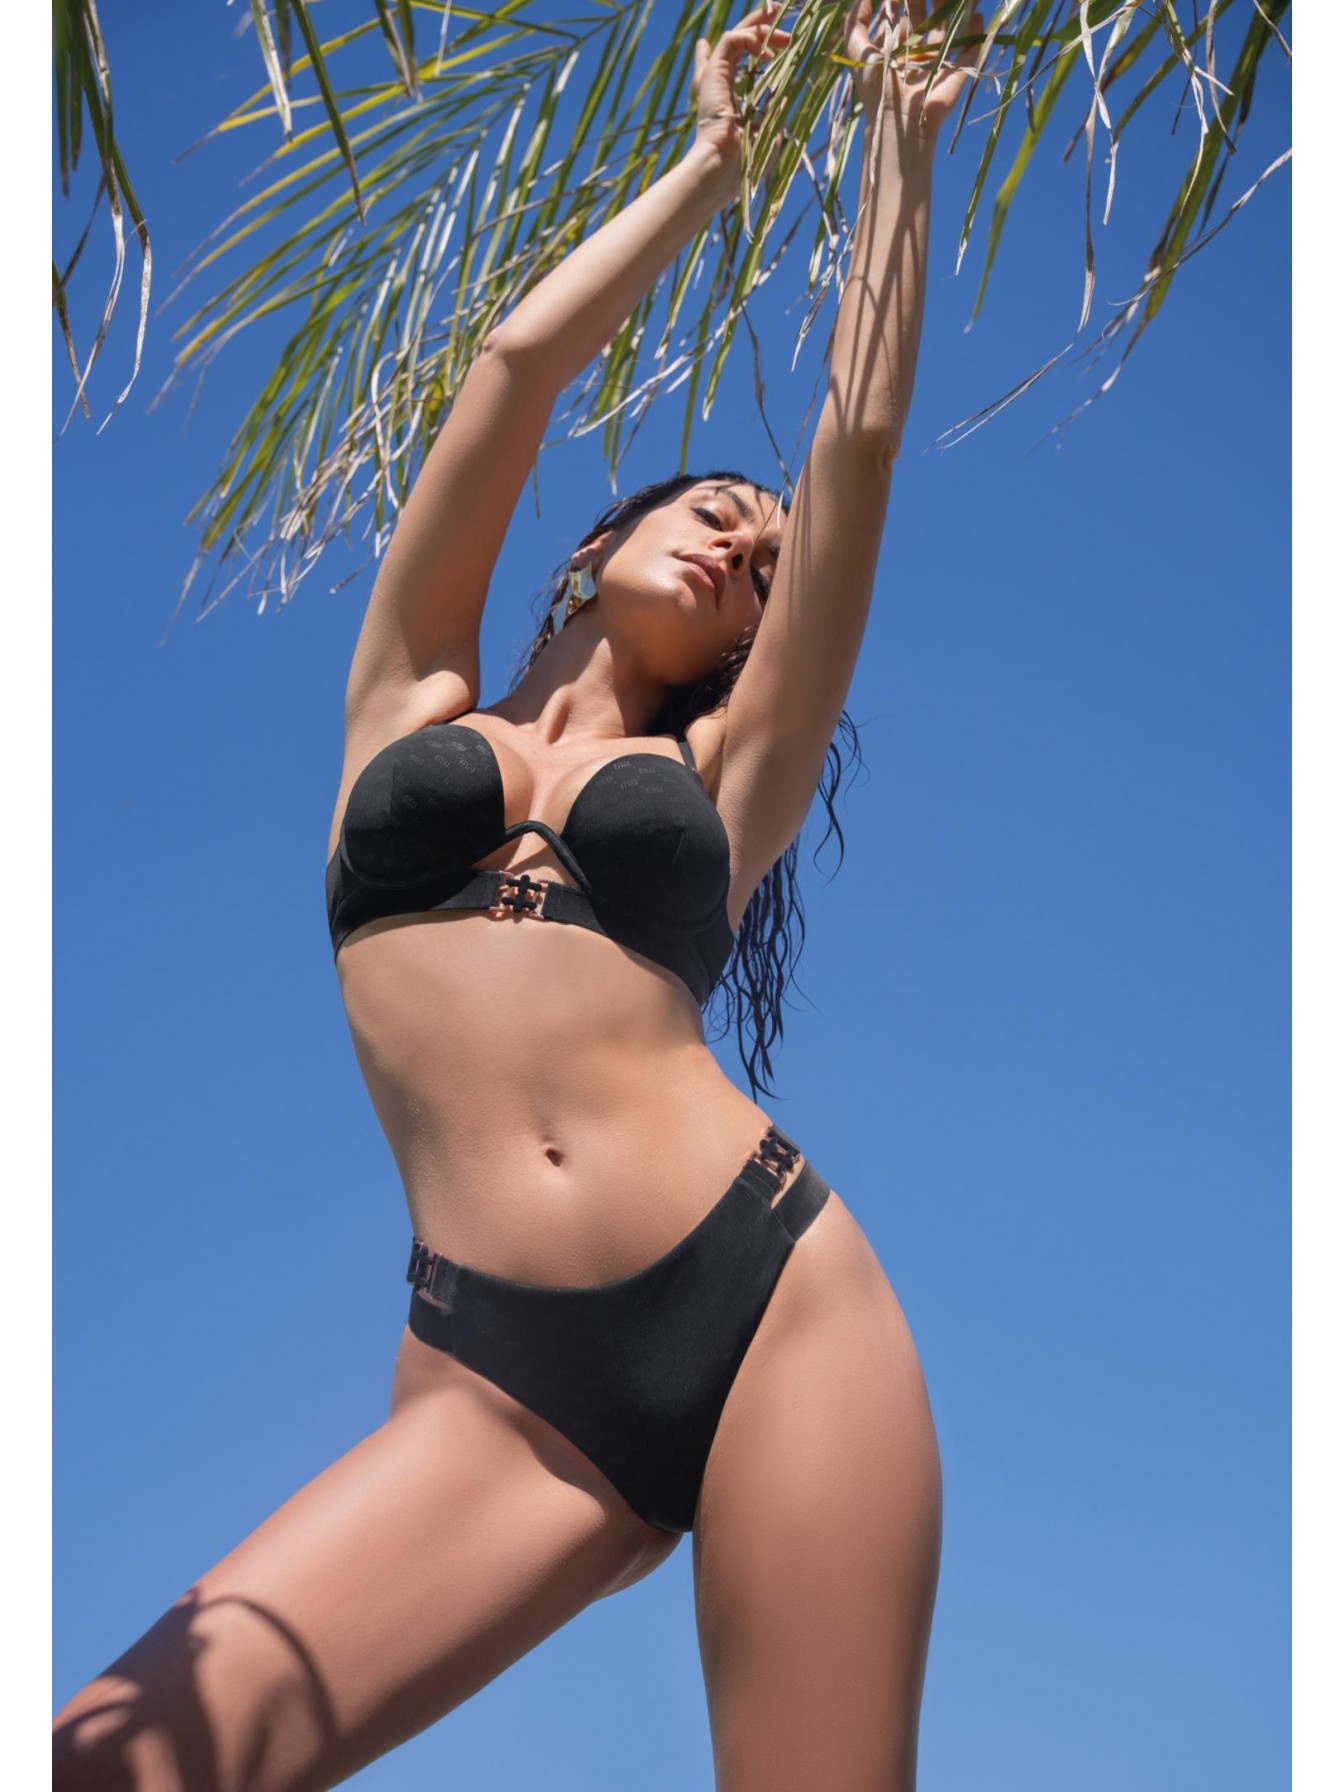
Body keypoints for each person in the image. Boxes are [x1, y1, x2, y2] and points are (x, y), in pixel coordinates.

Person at [54, 3, 980, 1786]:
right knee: (114, 1761)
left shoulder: (730, 778)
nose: (743, 542)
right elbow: (510, 366)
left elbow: (854, 448)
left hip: (782, 1300)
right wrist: (707, 172)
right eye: (717, 508)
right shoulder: (410, 699)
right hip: (506, 1387)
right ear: (594, 545)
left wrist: (901, 139)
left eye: (763, 567)